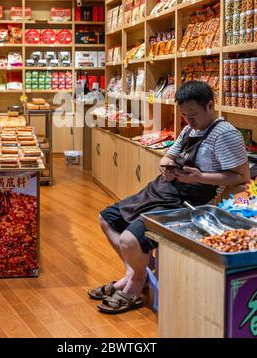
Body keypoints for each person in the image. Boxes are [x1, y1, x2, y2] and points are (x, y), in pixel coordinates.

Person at [88, 81, 250, 314]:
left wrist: (200, 177)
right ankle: (135, 273)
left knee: (129, 240)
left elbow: (240, 176)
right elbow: (169, 155)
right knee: (106, 218)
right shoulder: (189, 129)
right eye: (184, 115)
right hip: (162, 190)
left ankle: (134, 286)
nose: (188, 121)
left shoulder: (225, 135)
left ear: (210, 105)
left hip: (192, 202)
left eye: (192, 114)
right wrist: (166, 164)